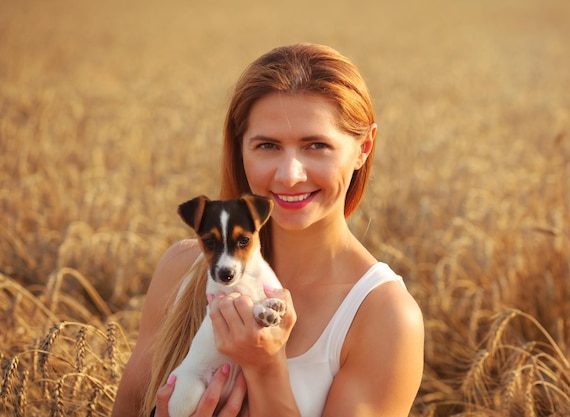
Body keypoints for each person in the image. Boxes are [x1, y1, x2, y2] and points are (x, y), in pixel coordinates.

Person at [111, 42, 424, 417]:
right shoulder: (182, 269)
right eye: (267, 145)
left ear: (363, 148)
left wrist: (265, 368)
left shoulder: (384, 316)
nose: (290, 175)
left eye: (316, 145)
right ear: (239, 148)